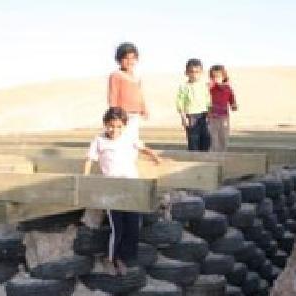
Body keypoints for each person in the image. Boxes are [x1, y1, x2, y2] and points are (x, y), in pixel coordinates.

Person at [84, 107, 161, 274]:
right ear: (105, 124)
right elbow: (90, 159)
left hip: (131, 188)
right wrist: (85, 178)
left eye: (119, 126)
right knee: (117, 228)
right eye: (111, 126)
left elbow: (142, 148)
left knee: (133, 226)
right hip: (113, 191)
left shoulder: (128, 137)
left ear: (124, 126)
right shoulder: (99, 140)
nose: (114, 130)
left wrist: (154, 156)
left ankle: (125, 257)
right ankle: (110, 259)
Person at [108, 42, 148, 141]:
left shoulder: (137, 77)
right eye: (126, 58)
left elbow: (140, 94)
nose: (129, 61)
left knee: (133, 138)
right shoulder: (116, 75)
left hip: (135, 113)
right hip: (122, 114)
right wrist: (114, 114)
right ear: (119, 60)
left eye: (132, 58)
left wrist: (144, 108)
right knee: (122, 138)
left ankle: (131, 156)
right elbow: (113, 95)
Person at [176, 58, 212, 151]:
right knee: (193, 140)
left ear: (201, 72)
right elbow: (180, 103)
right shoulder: (184, 87)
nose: (194, 74)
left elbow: (209, 100)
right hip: (191, 116)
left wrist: (210, 114)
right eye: (191, 71)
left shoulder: (205, 85)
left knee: (206, 138)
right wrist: (184, 118)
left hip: (204, 115)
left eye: (197, 72)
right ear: (186, 72)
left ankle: (204, 161)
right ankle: (194, 158)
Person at [208, 65, 238, 152]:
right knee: (213, 137)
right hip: (212, 117)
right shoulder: (210, 88)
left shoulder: (227, 88)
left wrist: (233, 105)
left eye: (217, 76)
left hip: (224, 117)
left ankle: (223, 153)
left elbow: (232, 99)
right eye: (213, 77)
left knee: (224, 136)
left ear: (223, 77)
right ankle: (214, 155)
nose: (215, 79)